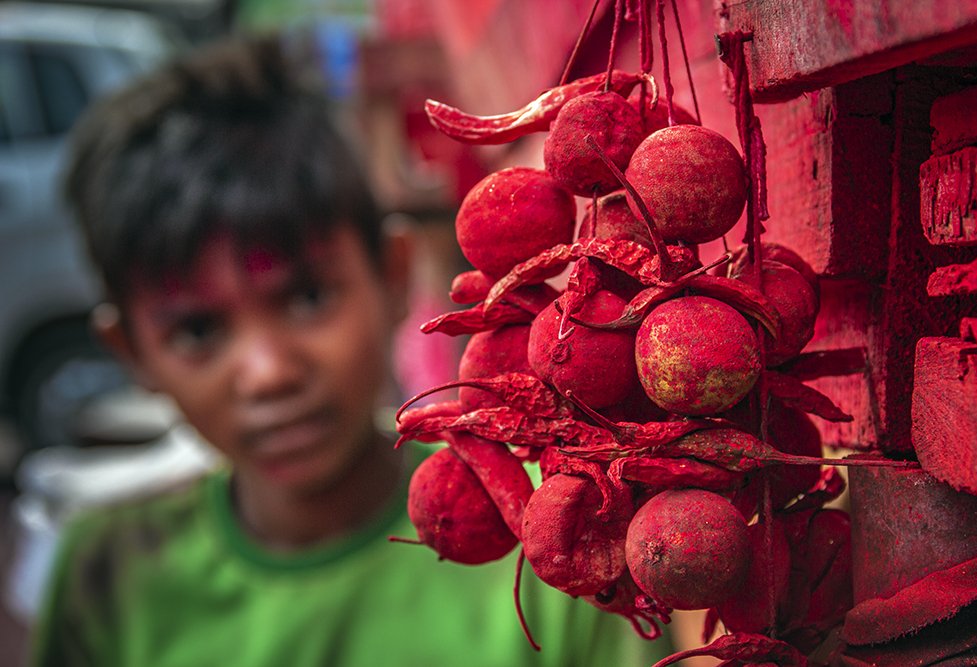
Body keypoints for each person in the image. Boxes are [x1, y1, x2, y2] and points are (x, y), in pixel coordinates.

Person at [31, 32, 672, 667]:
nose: (269, 374)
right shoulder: (108, 578)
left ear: (395, 276)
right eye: (198, 332)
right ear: (130, 353)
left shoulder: (570, 538)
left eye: (308, 298)